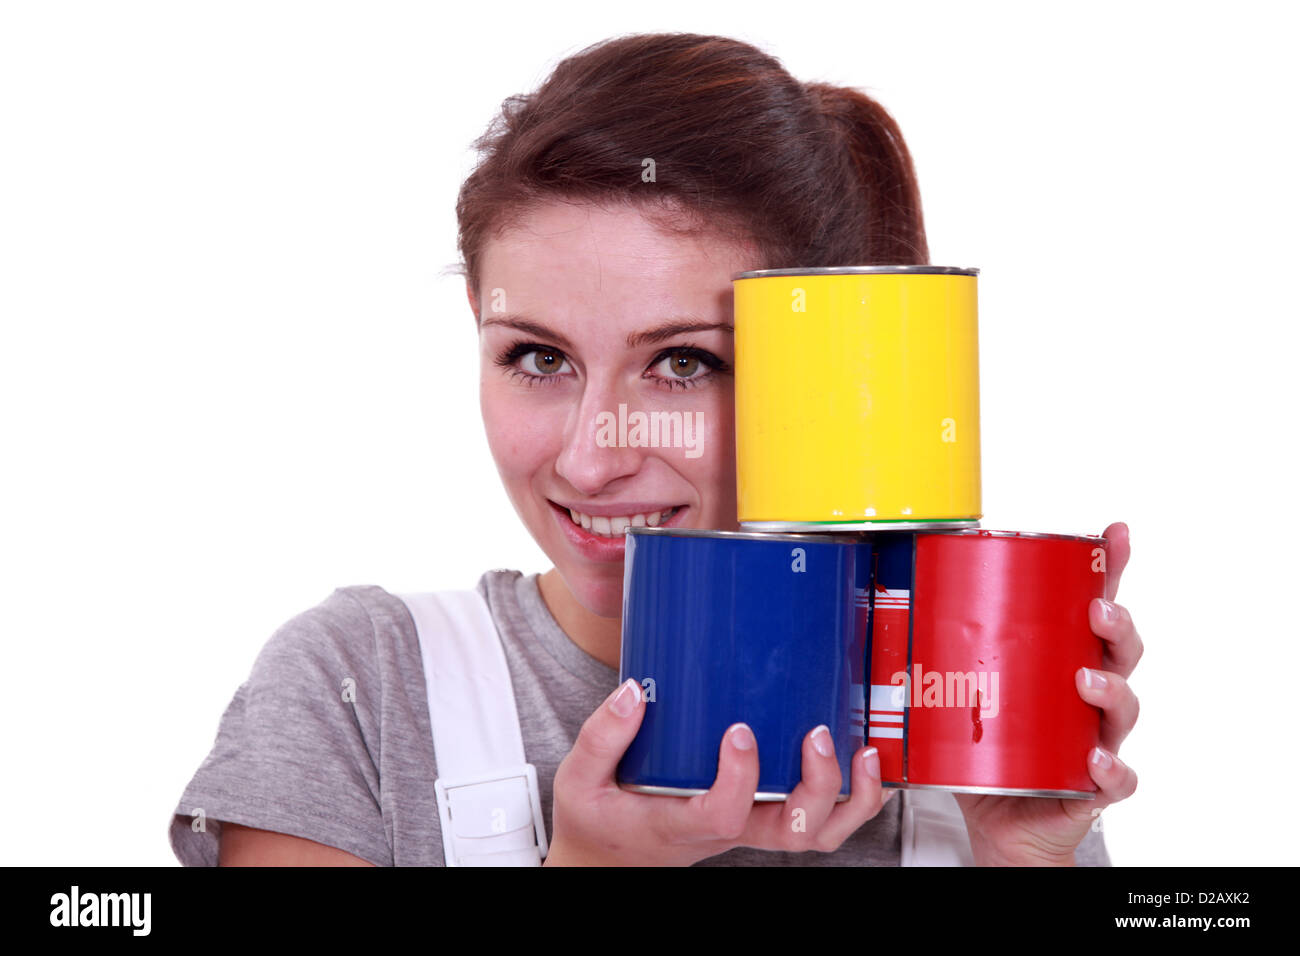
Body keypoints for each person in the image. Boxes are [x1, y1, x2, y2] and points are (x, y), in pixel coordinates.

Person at [168, 32, 1141, 867]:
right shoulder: (358, 693)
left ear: (831, 363)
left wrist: (1021, 861)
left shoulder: (952, 732)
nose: (593, 459)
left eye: (682, 361)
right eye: (537, 355)